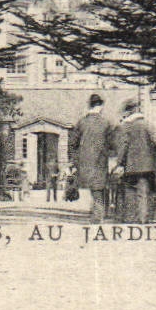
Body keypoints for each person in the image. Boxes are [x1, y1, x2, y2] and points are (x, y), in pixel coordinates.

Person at [113, 98, 156, 223]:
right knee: (143, 194)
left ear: (129, 111)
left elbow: (123, 147)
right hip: (148, 167)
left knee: (130, 194)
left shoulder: (125, 126)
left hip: (131, 167)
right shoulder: (148, 124)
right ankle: (143, 220)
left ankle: (131, 220)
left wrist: (119, 164)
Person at [68, 93, 116, 222]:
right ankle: (98, 216)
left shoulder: (81, 122)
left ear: (90, 105)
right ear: (100, 106)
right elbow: (113, 144)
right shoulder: (106, 123)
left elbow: (72, 143)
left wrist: (75, 160)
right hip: (100, 160)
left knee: (95, 190)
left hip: (85, 163)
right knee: (99, 189)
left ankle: (98, 214)